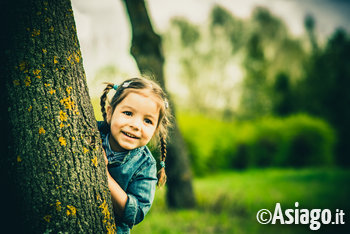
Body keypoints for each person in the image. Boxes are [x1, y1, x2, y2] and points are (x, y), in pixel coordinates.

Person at [98, 77, 171, 233]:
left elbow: (135, 213)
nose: (136, 125)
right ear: (110, 113)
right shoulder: (91, 132)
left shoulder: (145, 165)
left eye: (147, 121)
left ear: (155, 130)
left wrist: (104, 175)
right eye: (128, 113)